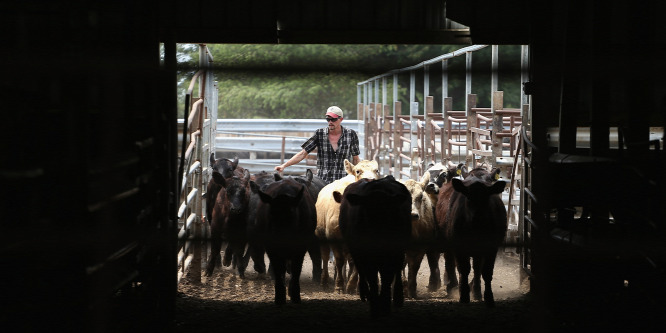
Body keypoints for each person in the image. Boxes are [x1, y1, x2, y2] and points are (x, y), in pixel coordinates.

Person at [275, 106, 360, 184]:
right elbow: (303, 153)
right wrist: (284, 166)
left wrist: (358, 178)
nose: (330, 122)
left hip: (343, 181)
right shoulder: (319, 133)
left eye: (333, 119)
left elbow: (356, 159)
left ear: (341, 119)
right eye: (328, 119)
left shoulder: (351, 134)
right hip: (323, 181)